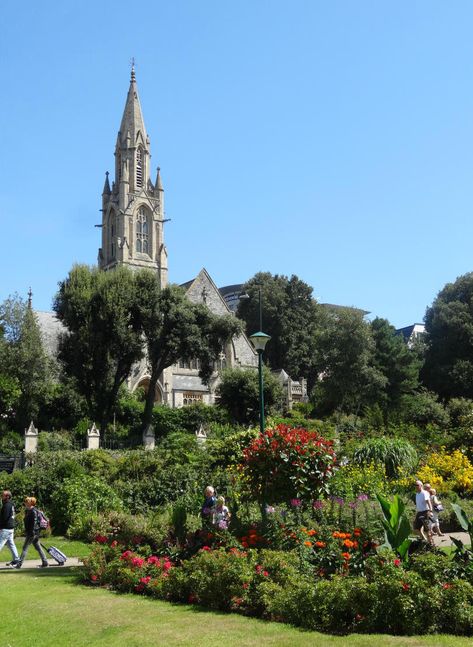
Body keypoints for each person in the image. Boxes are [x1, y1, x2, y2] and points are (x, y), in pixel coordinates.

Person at [16, 497, 48, 569]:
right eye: (25, 501)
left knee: (25, 548)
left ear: (31, 503)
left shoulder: (33, 511)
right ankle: (45, 562)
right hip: (33, 532)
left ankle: (19, 564)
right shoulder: (28, 511)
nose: (25, 502)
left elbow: (34, 523)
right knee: (38, 547)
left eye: (27, 501)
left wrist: (32, 532)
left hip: (32, 533)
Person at [0, 490, 20, 567]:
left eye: (3, 495)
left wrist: (0, 527)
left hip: (6, 528)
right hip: (10, 528)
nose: (2, 496)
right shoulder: (11, 504)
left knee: (0, 544)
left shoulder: (7, 505)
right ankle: (16, 559)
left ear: (7, 496)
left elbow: (4, 518)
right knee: (11, 544)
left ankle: (16, 560)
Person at [414, 480, 433, 545]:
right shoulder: (417, 494)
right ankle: (424, 539)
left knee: (427, 529)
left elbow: (429, 502)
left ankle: (430, 544)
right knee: (416, 528)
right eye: (415, 485)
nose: (416, 486)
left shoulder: (424, 493)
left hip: (425, 512)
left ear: (421, 486)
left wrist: (430, 511)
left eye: (417, 485)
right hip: (419, 512)